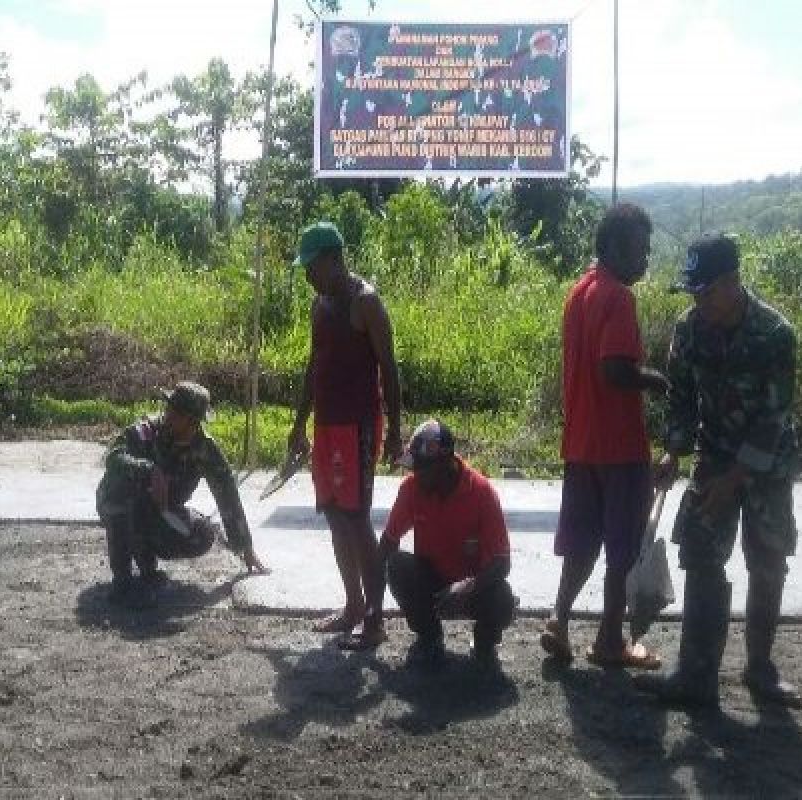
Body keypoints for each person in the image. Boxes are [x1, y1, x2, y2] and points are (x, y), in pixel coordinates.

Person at [636, 234, 802, 708]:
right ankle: (696, 674)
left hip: (767, 466)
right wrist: (672, 452)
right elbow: (681, 399)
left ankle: (760, 671)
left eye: (705, 291)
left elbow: (774, 419)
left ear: (733, 283)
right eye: (693, 292)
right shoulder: (689, 329)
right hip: (714, 454)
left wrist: (735, 481)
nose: (697, 301)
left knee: (767, 560)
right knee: (701, 555)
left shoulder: (775, 334)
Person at [539, 203, 667, 669]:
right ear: (613, 246)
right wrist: (658, 382)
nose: (645, 259)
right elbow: (615, 370)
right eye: (640, 248)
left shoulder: (580, 293)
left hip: (581, 443)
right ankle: (610, 642)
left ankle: (558, 617)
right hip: (618, 446)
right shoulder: (618, 297)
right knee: (620, 546)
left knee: (579, 540)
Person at [286, 221, 402, 650]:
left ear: (334, 258)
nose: (308, 276)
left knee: (357, 519)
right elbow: (313, 367)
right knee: (335, 514)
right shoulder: (321, 304)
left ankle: (374, 618)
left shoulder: (365, 302)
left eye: (312, 266)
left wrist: (396, 428)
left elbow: (389, 368)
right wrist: (299, 426)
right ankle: (353, 605)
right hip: (328, 425)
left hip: (358, 424)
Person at [95, 381, 267, 607]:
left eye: (176, 412)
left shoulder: (204, 448)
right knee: (117, 490)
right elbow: (114, 458)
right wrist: (148, 470)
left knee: (201, 535)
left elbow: (227, 495)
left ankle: (147, 567)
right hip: (125, 509)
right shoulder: (146, 432)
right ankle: (123, 582)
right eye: (169, 408)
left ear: (192, 420)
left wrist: (245, 546)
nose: (168, 415)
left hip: (162, 513)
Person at [378, 420, 516, 668]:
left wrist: (468, 587)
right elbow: (387, 544)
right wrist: (372, 611)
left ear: (445, 464)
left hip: (474, 588)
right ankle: (429, 637)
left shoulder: (482, 493)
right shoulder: (411, 489)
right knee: (396, 564)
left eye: (422, 469)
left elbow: (502, 562)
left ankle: (484, 642)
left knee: (504, 600)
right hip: (431, 583)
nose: (416, 474)